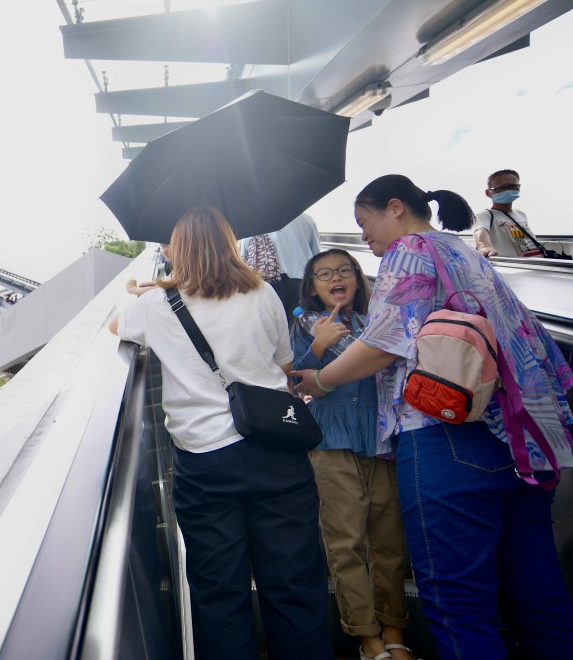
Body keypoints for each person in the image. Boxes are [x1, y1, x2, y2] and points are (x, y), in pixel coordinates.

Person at [292, 174, 573, 660]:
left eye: (365, 222)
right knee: (540, 598)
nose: (363, 236)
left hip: (444, 435)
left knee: (459, 605)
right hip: (516, 440)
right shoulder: (464, 253)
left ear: (395, 207)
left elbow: (384, 340)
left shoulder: (410, 250)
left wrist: (321, 380)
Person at [110, 207, 333, 660]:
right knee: (295, 586)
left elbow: (116, 324)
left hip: (206, 462)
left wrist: (148, 291)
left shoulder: (156, 306)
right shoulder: (264, 293)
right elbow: (285, 366)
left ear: (179, 249)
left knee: (219, 594)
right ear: (230, 242)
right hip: (277, 455)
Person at [291, 249, 413, 660]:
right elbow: (294, 384)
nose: (335, 278)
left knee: (390, 542)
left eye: (344, 270)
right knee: (346, 543)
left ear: (358, 279)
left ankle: (395, 630)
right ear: (312, 287)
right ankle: (367, 638)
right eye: (323, 274)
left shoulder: (376, 321)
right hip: (330, 443)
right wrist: (318, 349)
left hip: (380, 443)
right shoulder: (304, 324)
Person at [239, 213, 322, 321]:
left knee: (275, 324)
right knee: (299, 324)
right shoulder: (306, 219)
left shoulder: (254, 222)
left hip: (269, 283)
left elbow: (244, 256)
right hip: (302, 280)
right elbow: (317, 255)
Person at [472, 168, 541, 258]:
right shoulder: (484, 216)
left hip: (534, 264)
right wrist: (485, 247)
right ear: (488, 193)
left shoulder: (521, 214)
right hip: (510, 267)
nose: (507, 191)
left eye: (513, 186)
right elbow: (479, 231)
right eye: (501, 188)